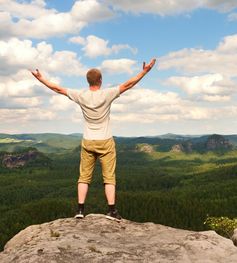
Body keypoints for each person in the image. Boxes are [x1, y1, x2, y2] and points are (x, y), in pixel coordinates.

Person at [31, 58, 156, 221]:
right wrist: (144, 71)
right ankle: (111, 211)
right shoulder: (107, 94)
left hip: (88, 141)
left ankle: (80, 210)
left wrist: (41, 79)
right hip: (105, 141)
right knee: (109, 177)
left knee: (84, 176)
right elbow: (128, 84)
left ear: (87, 81)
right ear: (101, 81)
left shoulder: (80, 95)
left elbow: (57, 89)